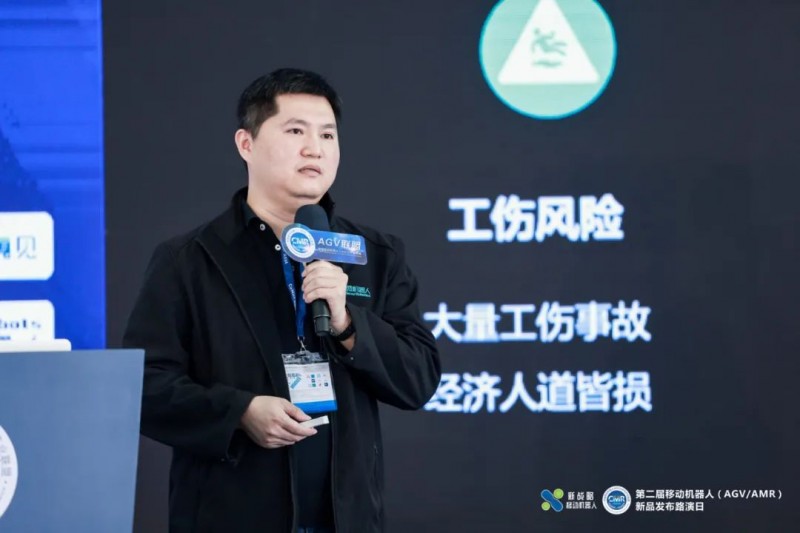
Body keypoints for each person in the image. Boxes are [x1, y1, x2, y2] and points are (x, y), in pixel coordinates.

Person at [123, 68, 441, 533]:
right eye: (295, 131)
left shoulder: (373, 254)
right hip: (228, 517)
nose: (315, 148)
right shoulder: (189, 260)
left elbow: (419, 377)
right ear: (246, 144)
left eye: (327, 135)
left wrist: (348, 324)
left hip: (348, 518)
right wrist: (238, 412)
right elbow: (144, 387)